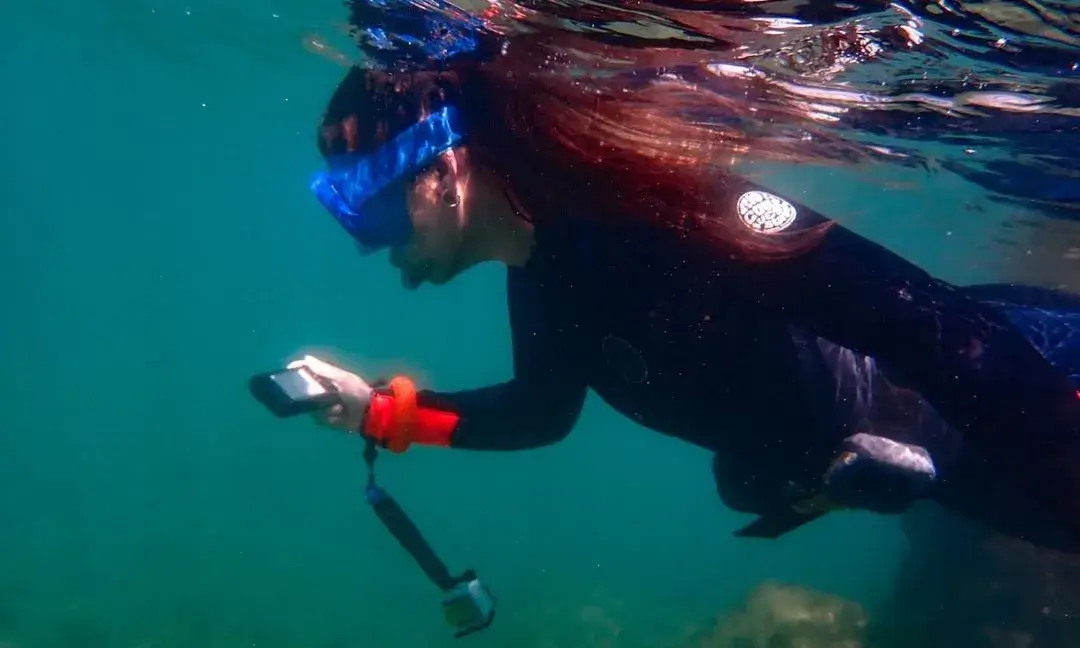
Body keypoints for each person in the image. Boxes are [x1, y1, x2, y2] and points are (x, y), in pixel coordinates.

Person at [289, 30, 1080, 551]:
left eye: (379, 212)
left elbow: (931, 326)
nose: (378, 250)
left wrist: (1058, 452)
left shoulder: (661, 216)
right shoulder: (543, 276)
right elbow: (540, 412)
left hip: (1031, 379)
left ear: (448, 163)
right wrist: (379, 413)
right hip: (974, 463)